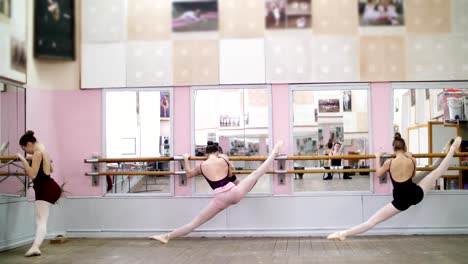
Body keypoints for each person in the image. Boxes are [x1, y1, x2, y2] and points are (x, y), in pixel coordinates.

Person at [327, 133, 462, 240]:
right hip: (415, 194)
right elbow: (412, 175)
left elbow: (379, 174)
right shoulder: (412, 160)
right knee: (435, 172)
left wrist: (378, 157)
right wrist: (408, 156)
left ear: (393, 148)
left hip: (400, 202)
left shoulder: (389, 162)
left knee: (371, 222)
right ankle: (451, 150)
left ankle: (342, 233)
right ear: (405, 147)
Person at [150, 140, 283, 244]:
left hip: (220, 199)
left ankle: (166, 236)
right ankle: (275, 151)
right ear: (217, 152)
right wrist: (243, 186)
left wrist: (185, 158)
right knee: (256, 174)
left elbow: (189, 174)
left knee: (194, 223)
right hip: (234, 193)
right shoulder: (224, 159)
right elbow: (232, 177)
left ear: (206, 154)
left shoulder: (201, 166)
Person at [16, 131, 61, 257]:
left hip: (45, 189)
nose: (26, 152)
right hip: (50, 187)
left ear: (29, 144)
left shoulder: (37, 153)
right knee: (39, 219)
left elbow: (32, 175)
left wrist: (23, 159)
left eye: (24, 149)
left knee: (41, 221)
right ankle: (36, 246)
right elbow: (50, 169)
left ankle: (35, 247)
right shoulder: (43, 148)